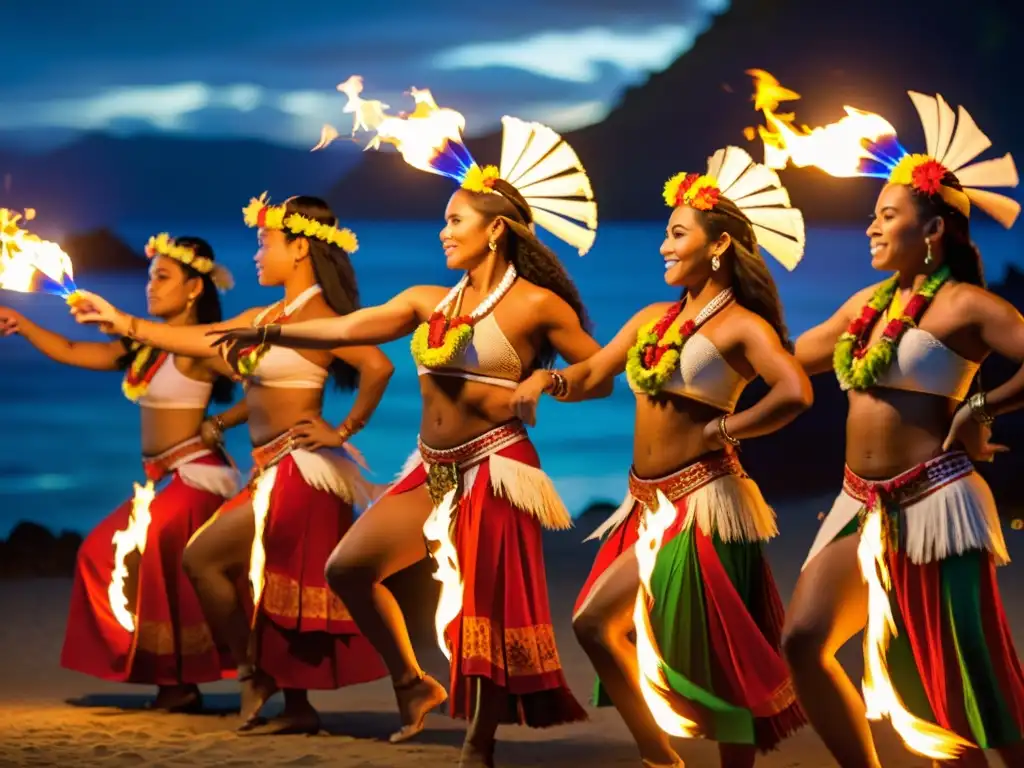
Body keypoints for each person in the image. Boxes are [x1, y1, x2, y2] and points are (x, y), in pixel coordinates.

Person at [209, 91, 604, 765]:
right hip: (432, 466)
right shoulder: (430, 300)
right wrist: (270, 326)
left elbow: (602, 371)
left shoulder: (537, 304)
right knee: (351, 566)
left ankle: (479, 740)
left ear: (496, 230)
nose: (444, 233)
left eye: (456, 221)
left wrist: (547, 381)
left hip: (496, 464)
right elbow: (352, 327)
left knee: (482, 606)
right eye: (444, 222)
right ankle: (410, 680)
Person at [510, 146, 811, 767]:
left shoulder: (741, 326)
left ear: (718, 245)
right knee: (594, 624)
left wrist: (731, 427)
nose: (663, 246)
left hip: (704, 500)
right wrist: (549, 382)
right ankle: (661, 755)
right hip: (644, 503)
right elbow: (593, 372)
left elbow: (795, 390)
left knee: (711, 648)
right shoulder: (654, 319)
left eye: (677, 233)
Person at [68, 196, 393, 735]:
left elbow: (377, 364)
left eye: (265, 243)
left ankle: (273, 681)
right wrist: (124, 321)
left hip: (302, 464)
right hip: (268, 467)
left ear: (300, 247)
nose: (257, 254)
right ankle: (277, 689)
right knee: (242, 577)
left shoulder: (321, 318)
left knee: (248, 575)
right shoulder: (264, 318)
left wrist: (344, 429)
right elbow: (193, 339)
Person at [781, 91, 1024, 768]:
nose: (870, 228)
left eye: (887, 215)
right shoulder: (866, 307)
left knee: (962, 674)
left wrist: (982, 407)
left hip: (935, 502)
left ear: (933, 229)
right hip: (860, 502)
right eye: (872, 215)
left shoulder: (968, 305)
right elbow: (791, 357)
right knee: (803, 639)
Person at [1, 233, 244, 711]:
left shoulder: (200, 347)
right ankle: (165, 675)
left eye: (163, 277)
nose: (150, 287)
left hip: (196, 474)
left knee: (154, 551)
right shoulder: (145, 350)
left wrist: (222, 421)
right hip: (160, 480)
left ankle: (180, 683)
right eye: (149, 277)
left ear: (195, 288)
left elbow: (261, 379)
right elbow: (74, 350)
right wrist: (24, 324)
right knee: (96, 552)